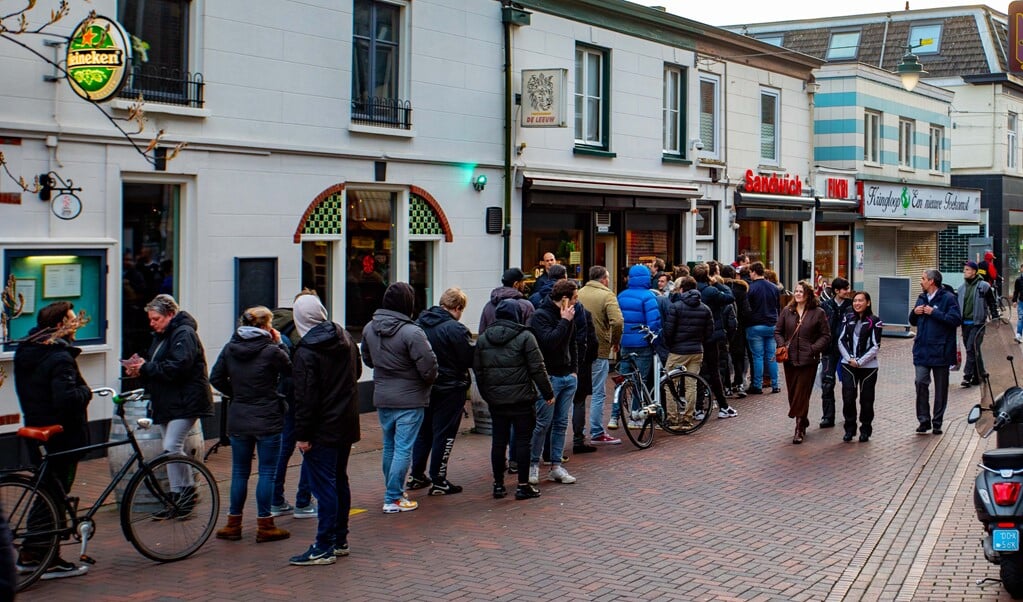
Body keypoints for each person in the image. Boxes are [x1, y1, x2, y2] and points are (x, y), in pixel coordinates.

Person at [13, 301, 92, 579]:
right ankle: (40, 555)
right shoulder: (59, 357)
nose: (77, 325)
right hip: (62, 435)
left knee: (47, 492)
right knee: (55, 496)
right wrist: (87, 392)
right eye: (72, 320)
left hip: (36, 427)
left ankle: (36, 552)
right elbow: (67, 399)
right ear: (60, 325)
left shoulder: (27, 349)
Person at [287, 294, 362, 566]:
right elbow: (357, 372)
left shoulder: (306, 352)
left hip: (322, 428)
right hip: (346, 422)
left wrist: (303, 434)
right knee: (339, 480)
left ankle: (323, 545)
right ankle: (339, 539)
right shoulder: (344, 338)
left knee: (324, 486)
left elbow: (305, 397)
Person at [209, 306, 292, 543]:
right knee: (266, 471)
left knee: (239, 471)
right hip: (267, 415)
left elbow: (215, 378)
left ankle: (233, 523)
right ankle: (265, 524)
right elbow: (290, 371)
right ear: (267, 326)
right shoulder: (271, 351)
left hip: (239, 415)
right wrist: (280, 345)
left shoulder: (230, 348)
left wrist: (235, 395)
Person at [124, 294, 213, 515]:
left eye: (156, 319)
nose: (152, 324)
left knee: (171, 446)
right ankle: (178, 494)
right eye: (151, 319)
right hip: (168, 400)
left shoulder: (184, 334)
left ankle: (186, 492)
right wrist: (140, 368)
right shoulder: (162, 335)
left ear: (170, 315)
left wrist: (146, 368)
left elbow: (177, 367)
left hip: (185, 400)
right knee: (172, 447)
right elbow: (159, 365)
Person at [361, 282, 439, 513]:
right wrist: (427, 380)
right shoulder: (412, 332)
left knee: (389, 446)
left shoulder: (369, 328)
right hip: (410, 398)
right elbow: (428, 365)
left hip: (383, 394)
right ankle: (393, 497)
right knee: (404, 448)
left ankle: (392, 491)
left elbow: (367, 359)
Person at [474, 299, 554, 500]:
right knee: (523, 442)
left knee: (498, 442)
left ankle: (498, 485)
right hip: (522, 399)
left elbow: (479, 371)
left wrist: (487, 394)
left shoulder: (483, 339)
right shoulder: (525, 336)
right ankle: (522, 485)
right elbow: (537, 367)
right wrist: (548, 392)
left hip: (496, 400)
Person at [407, 288, 474, 496]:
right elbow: (467, 358)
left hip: (425, 386)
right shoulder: (456, 329)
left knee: (424, 431)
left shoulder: (418, 325)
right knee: (444, 434)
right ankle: (439, 478)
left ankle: (417, 474)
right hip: (451, 388)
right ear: (458, 308)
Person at [527, 279, 579, 485]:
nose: (577, 302)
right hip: (549, 377)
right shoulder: (540, 316)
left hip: (567, 376)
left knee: (560, 423)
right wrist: (564, 321)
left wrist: (574, 371)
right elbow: (549, 342)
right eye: (575, 298)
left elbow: (572, 343)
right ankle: (532, 465)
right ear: (564, 299)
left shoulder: (570, 314)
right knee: (542, 423)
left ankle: (556, 465)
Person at [269, 303, 317, 520]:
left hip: (282, 395)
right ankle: (303, 501)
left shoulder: (280, 326)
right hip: (301, 395)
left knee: (284, 446)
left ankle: (275, 499)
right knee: (309, 448)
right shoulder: (304, 332)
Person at [774, 281, 830, 444]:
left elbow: (826, 335)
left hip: (809, 360)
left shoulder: (817, 313)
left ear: (808, 294)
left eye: (801, 291)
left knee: (802, 392)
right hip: (789, 359)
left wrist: (813, 349)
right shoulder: (787, 311)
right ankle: (803, 418)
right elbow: (778, 331)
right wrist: (781, 344)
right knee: (793, 393)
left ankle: (799, 428)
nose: (798, 294)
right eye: (796, 291)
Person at [910, 269, 962, 436]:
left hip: (941, 351)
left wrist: (934, 312)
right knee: (920, 383)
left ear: (932, 281)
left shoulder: (948, 298)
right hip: (922, 350)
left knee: (941, 388)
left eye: (923, 278)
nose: (921, 281)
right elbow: (912, 320)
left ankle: (937, 422)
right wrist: (914, 312)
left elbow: (955, 320)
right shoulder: (921, 297)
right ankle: (923, 420)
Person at [576, 265, 623, 445]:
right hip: (599, 348)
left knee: (579, 394)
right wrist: (615, 341)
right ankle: (596, 431)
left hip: (578, 349)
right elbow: (617, 321)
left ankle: (578, 433)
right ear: (603, 279)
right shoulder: (607, 295)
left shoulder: (579, 293)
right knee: (598, 391)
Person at [662, 276, 713, 426]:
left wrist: (672, 345)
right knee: (691, 384)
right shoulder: (705, 309)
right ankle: (688, 418)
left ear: (682, 289)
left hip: (678, 350)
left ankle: (673, 418)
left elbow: (668, 331)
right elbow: (709, 332)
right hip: (697, 350)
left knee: (670, 384)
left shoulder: (676, 306)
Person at [615, 264, 662, 428]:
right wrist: (655, 340)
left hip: (625, 343)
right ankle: (635, 416)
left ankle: (614, 416)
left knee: (623, 380)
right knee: (639, 381)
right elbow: (654, 323)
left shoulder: (621, 295)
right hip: (642, 344)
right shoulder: (648, 296)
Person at [694, 264, 738, 418]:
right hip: (712, 336)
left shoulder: (691, 291)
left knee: (697, 372)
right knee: (714, 371)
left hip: (695, 336)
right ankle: (723, 407)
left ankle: (698, 408)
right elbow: (730, 297)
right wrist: (718, 283)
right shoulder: (711, 291)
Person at [838, 291, 883, 442]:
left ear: (868, 303)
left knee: (867, 399)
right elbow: (841, 340)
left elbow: (875, 345)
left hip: (868, 367)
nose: (857, 303)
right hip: (848, 365)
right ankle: (849, 428)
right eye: (855, 301)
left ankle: (865, 429)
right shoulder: (848, 318)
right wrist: (849, 358)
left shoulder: (875, 321)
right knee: (848, 397)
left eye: (860, 301)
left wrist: (860, 361)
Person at [818, 278, 853, 428]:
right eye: (845, 289)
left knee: (848, 385)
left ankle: (849, 416)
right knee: (827, 383)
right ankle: (827, 417)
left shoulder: (852, 306)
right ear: (837, 291)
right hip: (829, 350)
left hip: (847, 351)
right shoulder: (825, 306)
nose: (848, 291)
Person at [958, 260, 999, 388]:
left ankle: (967, 376)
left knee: (971, 348)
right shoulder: (961, 288)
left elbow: (992, 303)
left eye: (967, 270)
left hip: (978, 324)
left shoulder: (984, 286)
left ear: (974, 272)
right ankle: (980, 375)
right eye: (964, 270)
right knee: (974, 351)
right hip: (965, 324)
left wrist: (995, 318)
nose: (965, 272)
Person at [745, 262, 780, 395]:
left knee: (757, 357)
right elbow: (778, 307)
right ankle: (775, 384)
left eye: (750, 272)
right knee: (771, 356)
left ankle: (757, 385)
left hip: (755, 326)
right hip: (771, 325)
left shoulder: (751, 288)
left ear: (754, 272)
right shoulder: (774, 288)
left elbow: (748, 308)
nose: (750, 274)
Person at [478, 267, 535, 334]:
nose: (524, 284)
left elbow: (482, 332)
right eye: (522, 282)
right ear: (516, 284)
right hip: (516, 344)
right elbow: (531, 333)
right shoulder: (527, 306)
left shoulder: (489, 305)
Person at [1013, 264, 1023, 343]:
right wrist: (1014, 300)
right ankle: (1018, 335)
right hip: (1021, 302)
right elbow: (1016, 291)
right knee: (1021, 318)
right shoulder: (1018, 280)